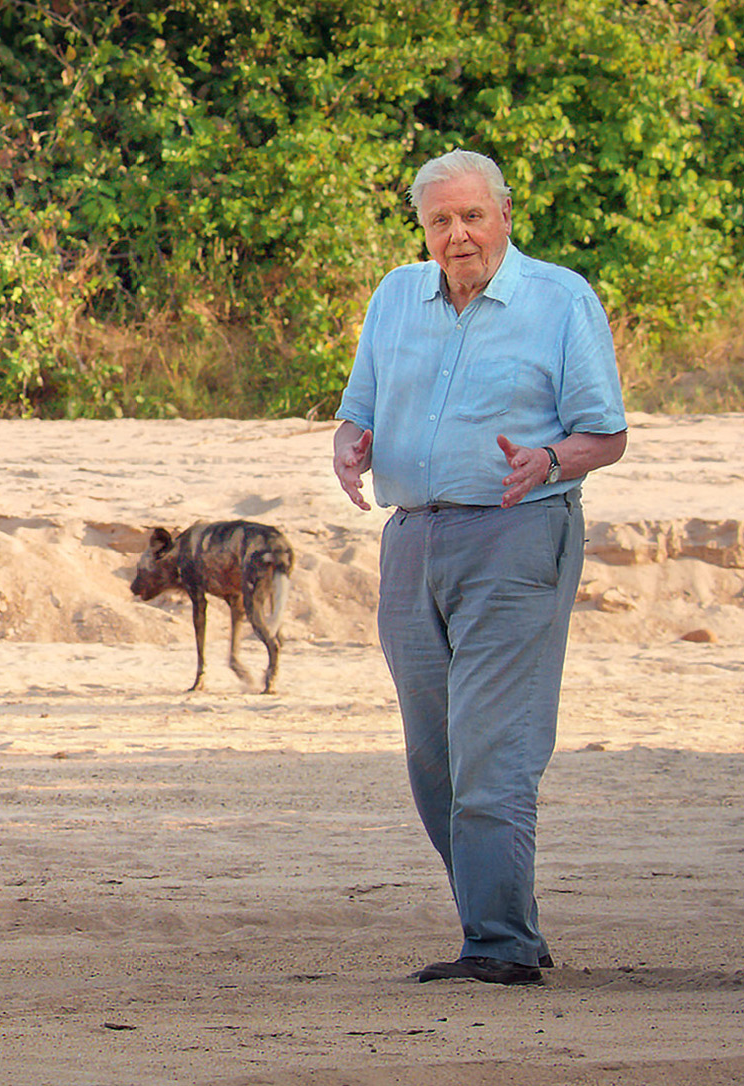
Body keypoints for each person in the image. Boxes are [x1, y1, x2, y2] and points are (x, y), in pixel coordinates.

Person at [332, 149, 628, 986]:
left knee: (494, 750)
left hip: (518, 535)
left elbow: (606, 434)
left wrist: (549, 460)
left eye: (471, 216)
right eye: (439, 220)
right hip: (412, 539)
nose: (457, 235)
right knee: (436, 762)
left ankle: (497, 944)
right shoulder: (395, 296)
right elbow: (358, 409)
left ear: (504, 213)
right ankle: (502, 928)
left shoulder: (560, 298)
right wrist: (348, 446)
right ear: (422, 227)